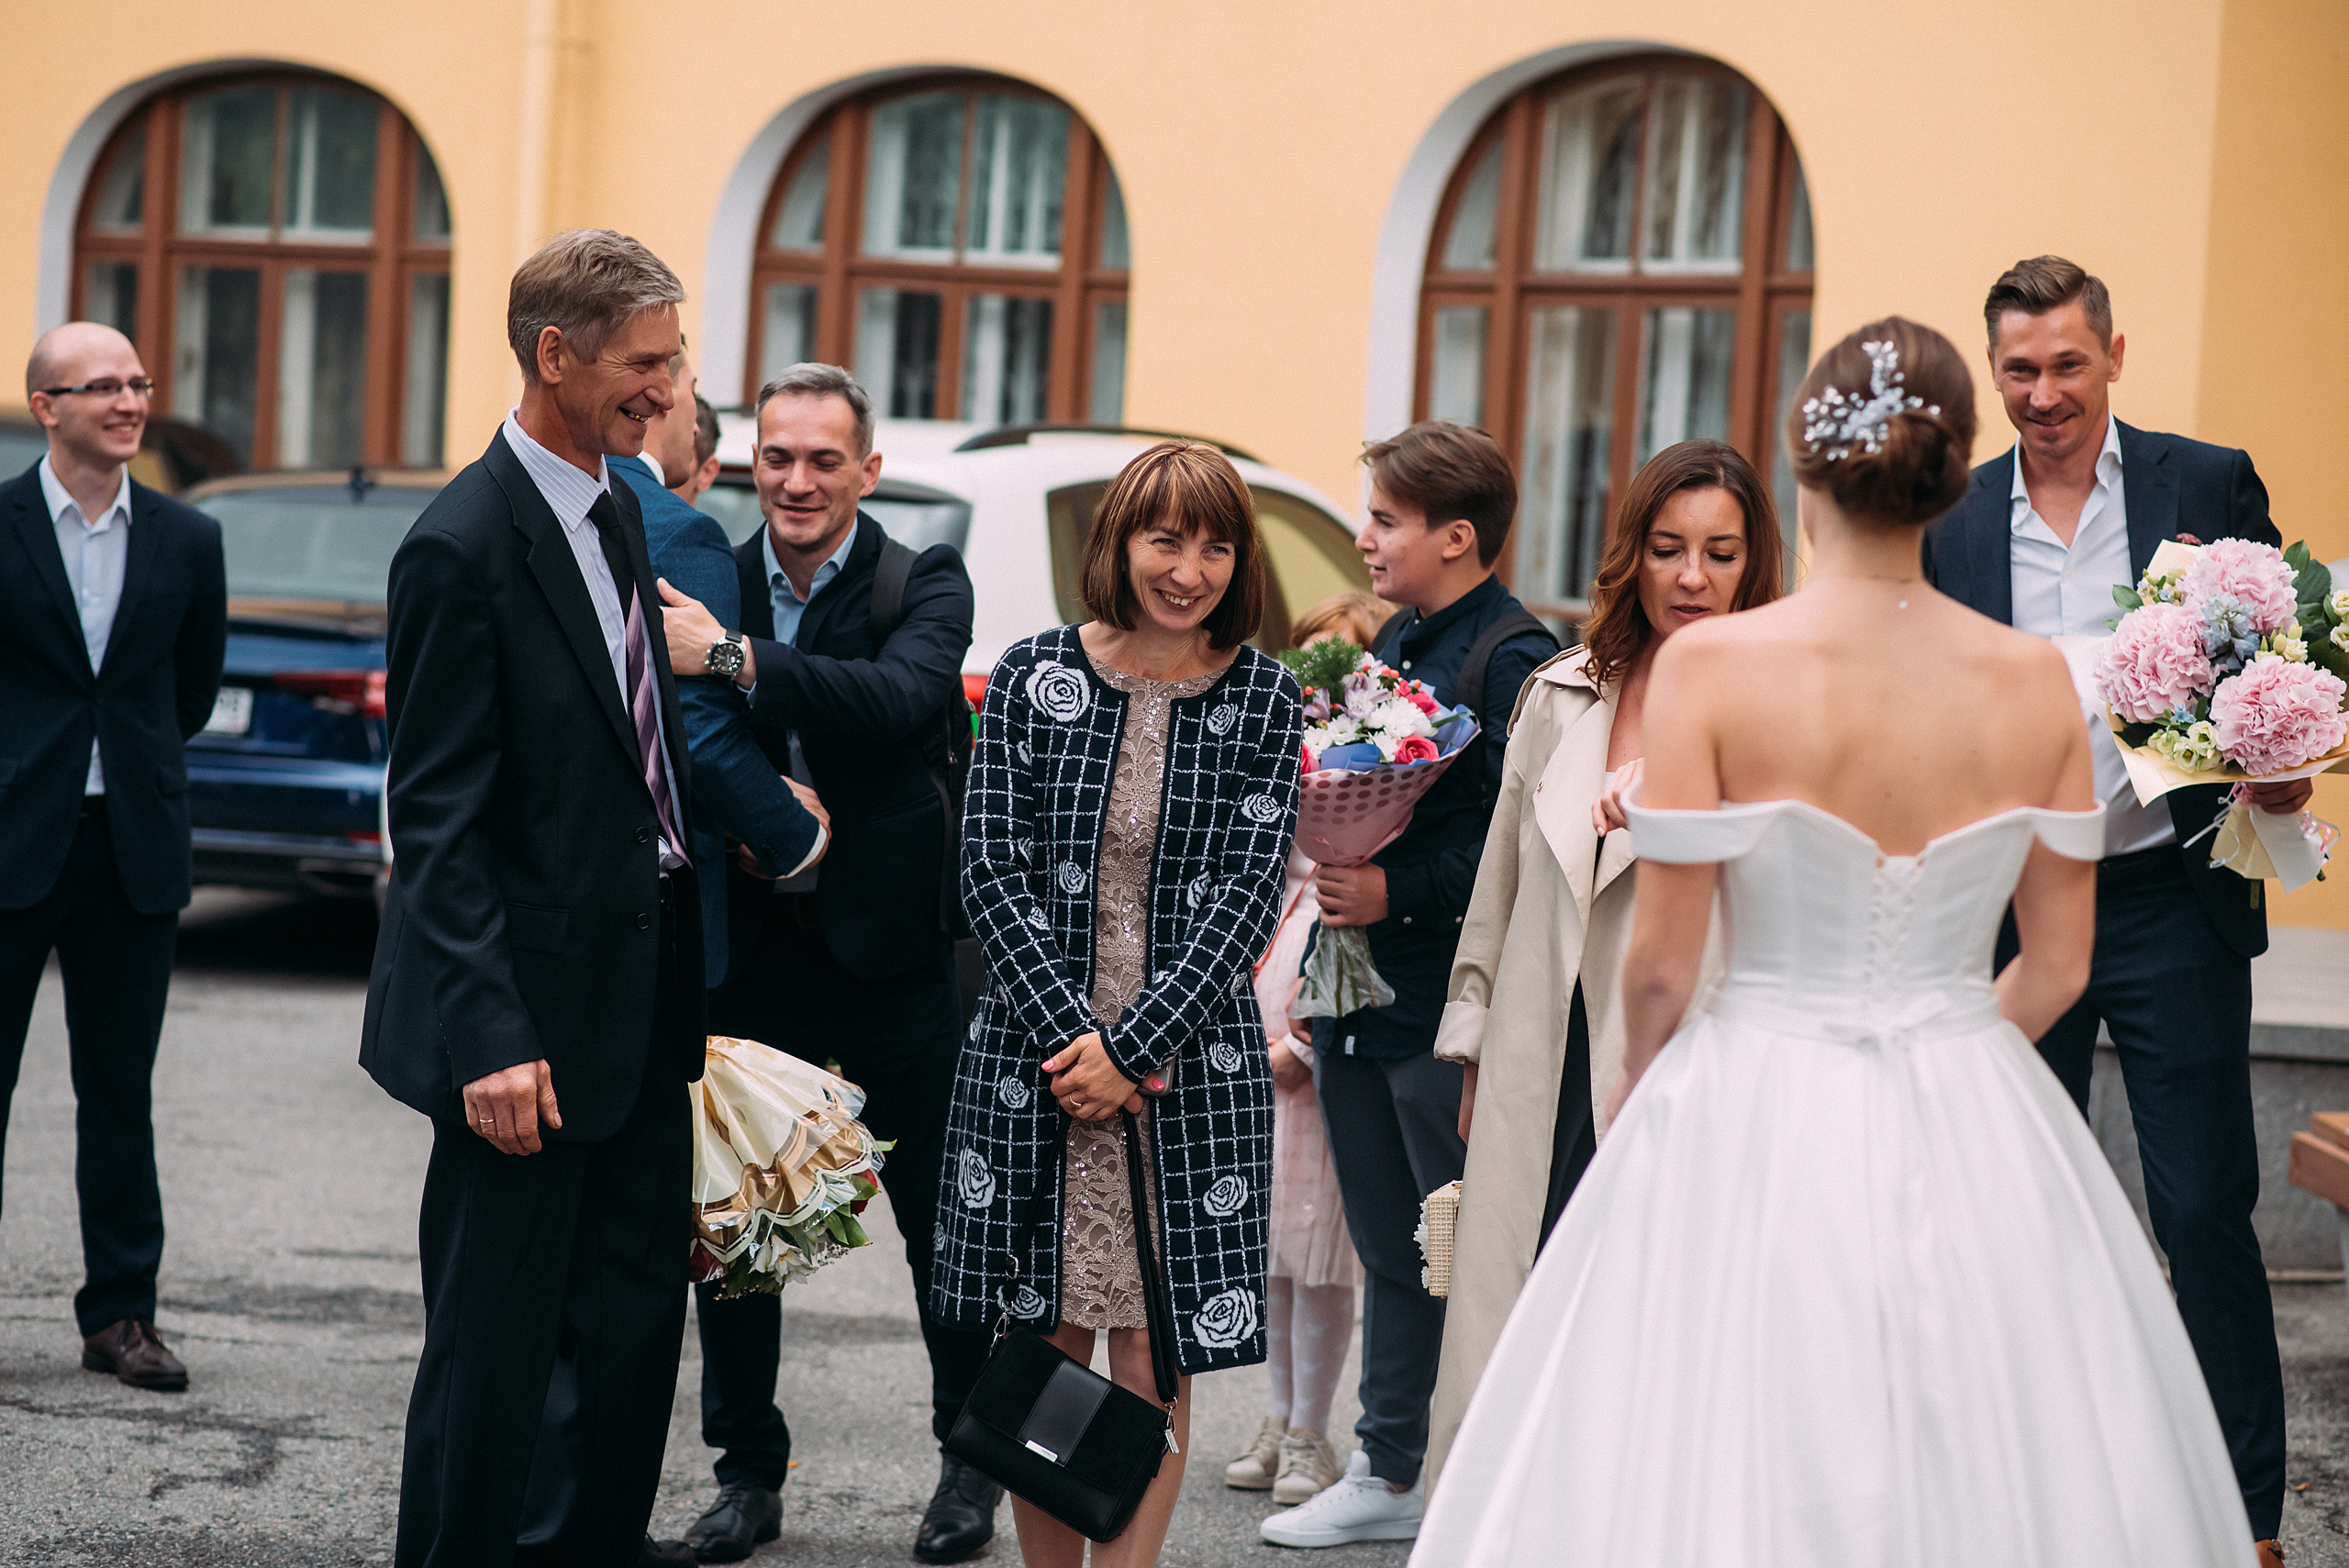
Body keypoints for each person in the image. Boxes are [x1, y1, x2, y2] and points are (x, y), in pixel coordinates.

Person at [1418, 317, 2254, 1564]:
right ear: (1951, 471)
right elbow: (2061, 965)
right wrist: (1944, 1051)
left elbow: (1658, 960)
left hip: (1749, 1075)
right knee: (1993, 1432)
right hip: (1966, 1085)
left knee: (1699, 1428)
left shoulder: (1717, 666)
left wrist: (1660, 1084)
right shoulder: (2033, 680)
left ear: (1804, 477)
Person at [1923, 257, 2293, 1562]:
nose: (2042, 395)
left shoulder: (2207, 484)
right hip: (2010, 903)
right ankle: (2023, 1502)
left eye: (2066, 365)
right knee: (2011, 1208)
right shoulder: (1954, 521)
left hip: (2166, 898)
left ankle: (2243, 1517)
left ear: (2115, 357)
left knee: (2202, 1209)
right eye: (2017, 370)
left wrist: (2278, 758)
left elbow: (2273, 661)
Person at [359, 229, 705, 1568]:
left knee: (627, 1355)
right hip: (524, 1034)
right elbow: (436, 821)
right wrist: (492, 1037)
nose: (666, 391)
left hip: (641, 1005)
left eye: (673, 362)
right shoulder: (457, 545)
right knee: (493, 1364)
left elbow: (624, 756)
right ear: (553, 354)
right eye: (645, 364)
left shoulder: (618, 506)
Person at [933, 439, 1303, 1568]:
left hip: (1185, 1073)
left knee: (1153, 1353)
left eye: (1213, 543)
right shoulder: (1038, 672)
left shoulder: (1267, 695)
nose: (1186, 567)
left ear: (1238, 560)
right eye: (1163, 537)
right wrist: (1072, 1045)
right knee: (1043, 1345)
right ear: (1119, 544)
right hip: (1035, 1061)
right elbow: (987, 864)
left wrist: (1133, 1051)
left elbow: (1249, 893)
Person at [654, 363, 988, 1563]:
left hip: (898, 963)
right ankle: (748, 1471)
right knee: (739, 1234)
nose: (797, 482)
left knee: (940, 1232)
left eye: (823, 461)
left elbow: (898, 700)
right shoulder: (713, 572)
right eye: (778, 458)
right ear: (753, 462)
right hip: (750, 960)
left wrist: (736, 661)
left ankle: (968, 1463)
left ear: (868, 470)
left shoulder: (922, 579)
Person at [1420, 439, 1781, 1489]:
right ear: (1634, 555)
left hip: (1680, 1049)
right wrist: (1475, 1043)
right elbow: (1499, 881)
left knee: (1653, 1314)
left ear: (1754, 563)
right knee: (1515, 1306)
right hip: (1541, 1044)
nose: (1691, 577)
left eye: (1719, 552)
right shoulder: (1560, 690)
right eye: (1668, 548)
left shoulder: (1778, 709)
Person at [1262, 422, 1556, 1550]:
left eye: (1383, 518)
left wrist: (1398, 890)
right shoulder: (1393, 633)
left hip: (1441, 1000)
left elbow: (1509, 843)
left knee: (1461, 1242)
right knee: (1388, 1238)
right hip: (1354, 989)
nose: (1362, 537)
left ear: (1458, 535)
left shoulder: (1511, 657)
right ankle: (1389, 1464)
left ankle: (1471, 1459)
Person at [0, 321, 225, 1394]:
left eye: (140, 381)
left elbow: (186, 693)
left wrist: (125, 766)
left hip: (132, 846)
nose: (132, 401)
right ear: (49, 406)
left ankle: (121, 1316)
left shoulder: (188, 539)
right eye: (105, 387)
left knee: (119, 1092)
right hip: (9, 840)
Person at [1224, 594, 1384, 1507]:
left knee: (1320, 1250)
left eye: (1341, 666)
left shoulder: (1367, 781)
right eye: (1310, 662)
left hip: (1312, 1021)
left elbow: (1342, 915)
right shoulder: (1287, 759)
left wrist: (1301, 1034)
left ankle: (1313, 1430)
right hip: (1258, 1003)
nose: (1318, 685)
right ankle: (1277, 1412)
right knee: (1274, 1248)